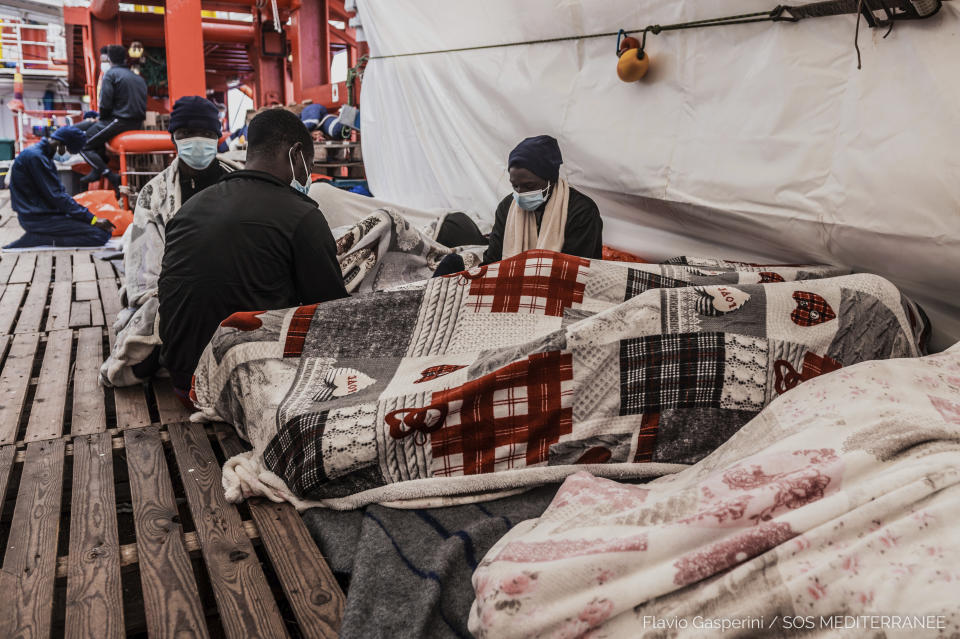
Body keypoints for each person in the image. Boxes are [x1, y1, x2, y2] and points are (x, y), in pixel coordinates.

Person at [158, 107, 348, 402]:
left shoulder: (189, 209)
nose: (307, 175)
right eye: (308, 165)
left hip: (183, 382)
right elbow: (332, 316)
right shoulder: (301, 215)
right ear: (296, 154)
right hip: (248, 389)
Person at [100, 96, 240, 387]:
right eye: (187, 135)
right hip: (177, 293)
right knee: (142, 353)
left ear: (219, 137)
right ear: (173, 138)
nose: (198, 142)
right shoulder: (155, 194)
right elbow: (144, 270)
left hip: (234, 288)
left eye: (207, 134)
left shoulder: (241, 182)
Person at [482, 135, 602, 264]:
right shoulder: (506, 208)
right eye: (515, 186)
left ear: (551, 179)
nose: (520, 193)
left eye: (529, 186)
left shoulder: (581, 211)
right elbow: (492, 261)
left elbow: (577, 270)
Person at [4, 126, 115, 249]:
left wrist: (88, 218)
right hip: (37, 219)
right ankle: (39, 238)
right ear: (62, 145)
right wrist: (92, 219)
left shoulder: (41, 156)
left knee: (103, 231)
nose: (68, 156)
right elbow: (58, 197)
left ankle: (42, 236)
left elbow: (57, 196)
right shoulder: (36, 158)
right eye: (70, 152)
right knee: (99, 235)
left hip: (43, 214)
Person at [80, 44, 147, 186]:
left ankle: (109, 175)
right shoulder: (138, 78)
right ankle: (98, 169)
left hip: (120, 121)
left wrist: (101, 118)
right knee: (96, 133)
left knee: (83, 143)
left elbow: (105, 104)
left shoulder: (111, 75)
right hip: (136, 122)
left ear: (109, 60)